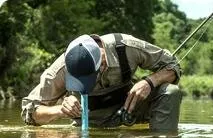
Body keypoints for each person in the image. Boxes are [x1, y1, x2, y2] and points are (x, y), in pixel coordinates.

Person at [21, 33, 182, 131]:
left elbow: (173, 66)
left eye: (90, 76)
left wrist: (150, 81)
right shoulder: (61, 68)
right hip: (89, 123)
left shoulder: (127, 46)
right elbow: (29, 112)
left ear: (103, 61)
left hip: (131, 111)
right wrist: (60, 111)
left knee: (170, 91)